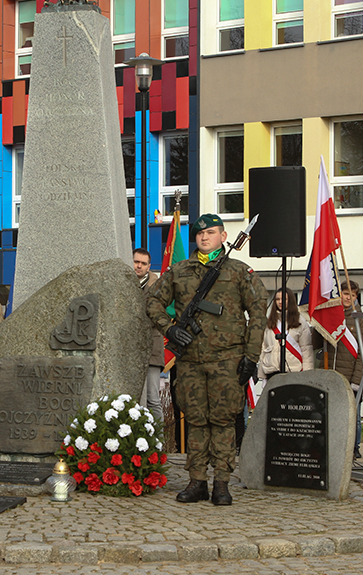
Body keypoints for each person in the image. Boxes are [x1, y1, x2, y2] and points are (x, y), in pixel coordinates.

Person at [146, 214, 267, 506]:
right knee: (197, 421)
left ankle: (222, 484)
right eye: (200, 233)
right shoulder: (179, 271)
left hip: (227, 360)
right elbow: (152, 302)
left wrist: (251, 357)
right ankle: (197, 480)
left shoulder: (239, 271)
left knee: (224, 421)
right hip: (190, 361)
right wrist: (170, 328)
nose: (204, 237)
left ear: (223, 237)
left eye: (211, 233)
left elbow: (259, 312)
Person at [317, 280, 363, 459]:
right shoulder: (331, 316)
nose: (349, 298)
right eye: (346, 294)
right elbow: (317, 345)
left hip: (350, 375)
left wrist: (357, 380)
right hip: (331, 372)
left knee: (352, 416)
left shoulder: (360, 318)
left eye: (353, 295)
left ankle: (353, 448)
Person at [133, 248, 164, 423]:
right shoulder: (124, 283)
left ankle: (158, 443)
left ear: (149, 266)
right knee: (128, 399)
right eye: (136, 262)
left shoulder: (158, 286)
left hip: (152, 349)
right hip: (129, 350)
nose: (139, 266)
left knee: (153, 399)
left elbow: (158, 316)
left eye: (143, 263)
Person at [257, 287, 314, 381]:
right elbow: (264, 348)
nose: (280, 302)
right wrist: (262, 375)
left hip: (293, 372)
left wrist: (307, 375)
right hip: (272, 372)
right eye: (277, 299)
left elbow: (306, 350)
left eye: (284, 299)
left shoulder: (300, 322)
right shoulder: (270, 323)